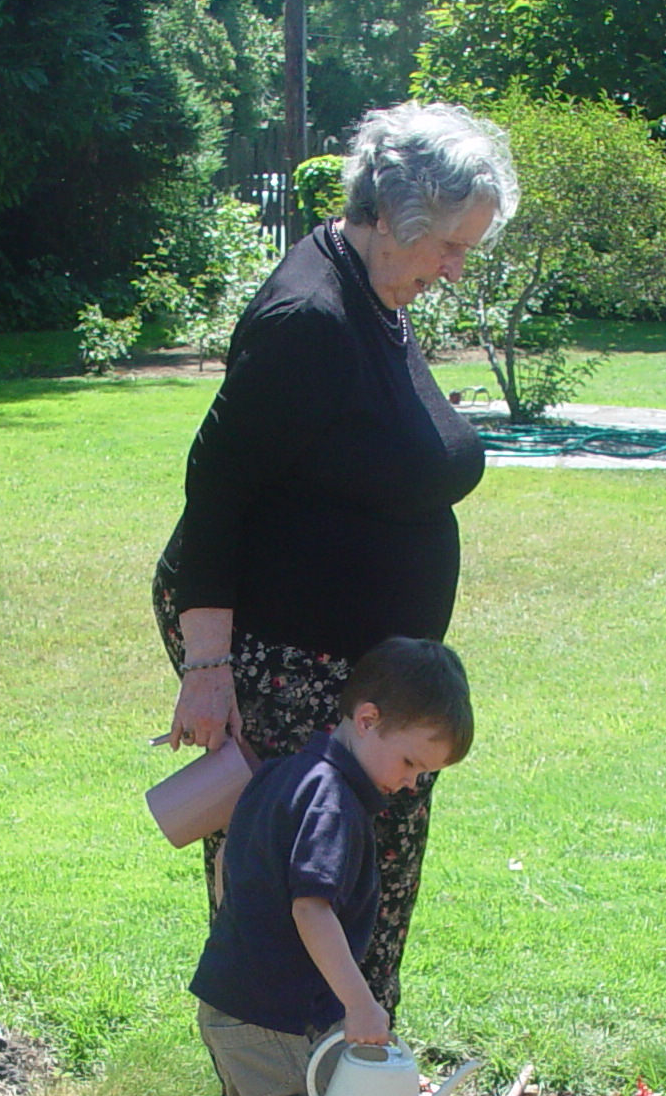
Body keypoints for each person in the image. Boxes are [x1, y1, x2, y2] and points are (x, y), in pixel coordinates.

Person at [155, 101, 516, 1026]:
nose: (455, 268)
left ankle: (346, 1086)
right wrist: (207, 670)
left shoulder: (372, 293)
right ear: (399, 219)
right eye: (448, 246)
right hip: (286, 650)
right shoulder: (310, 318)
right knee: (300, 882)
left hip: (358, 664)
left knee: (366, 878)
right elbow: (215, 493)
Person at [184, 638, 474, 1096]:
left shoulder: (287, 774)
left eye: (425, 773)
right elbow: (312, 910)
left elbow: (235, 868)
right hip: (267, 1014)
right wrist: (360, 1004)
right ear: (366, 719)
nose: (410, 782)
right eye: (409, 761)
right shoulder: (332, 803)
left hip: (250, 1002)